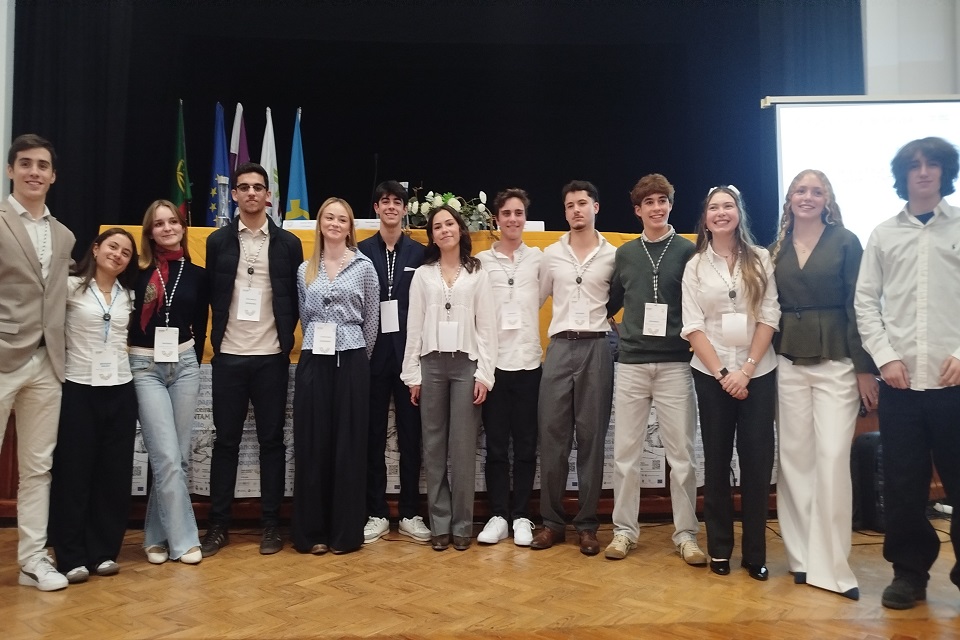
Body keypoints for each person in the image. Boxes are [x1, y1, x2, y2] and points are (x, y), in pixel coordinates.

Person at [855, 136, 960, 610]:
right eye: (914, 166)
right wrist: (885, 357)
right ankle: (909, 574)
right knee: (902, 484)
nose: (923, 172)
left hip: (954, 382)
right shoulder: (883, 234)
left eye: (932, 164)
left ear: (944, 171)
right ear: (903, 175)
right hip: (899, 384)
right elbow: (865, 302)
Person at [771, 170, 876, 600]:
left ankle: (832, 565)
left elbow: (860, 304)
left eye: (817, 191)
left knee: (832, 458)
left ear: (828, 199)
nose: (808, 197)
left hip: (837, 360)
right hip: (787, 362)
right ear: (789, 198)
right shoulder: (774, 248)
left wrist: (865, 367)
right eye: (801, 190)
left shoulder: (847, 241)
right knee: (794, 460)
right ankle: (800, 558)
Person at [201, 162, 303, 557]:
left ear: (268, 196)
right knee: (224, 443)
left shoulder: (288, 244)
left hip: (270, 358)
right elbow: (214, 294)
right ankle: (218, 526)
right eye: (243, 187)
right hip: (228, 356)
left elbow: (293, 299)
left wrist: (282, 339)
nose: (251, 194)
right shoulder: (218, 242)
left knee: (271, 442)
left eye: (258, 187)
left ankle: (271, 526)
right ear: (234, 195)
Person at [680, 185, 779, 580]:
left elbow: (770, 314)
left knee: (757, 465)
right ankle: (719, 548)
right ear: (705, 218)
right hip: (712, 375)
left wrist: (747, 369)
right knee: (717, 464)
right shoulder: (695, 266)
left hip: (758, 373)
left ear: (739, 212)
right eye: (714, 208)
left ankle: (755, 554)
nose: (721, 213)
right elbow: (692, 325)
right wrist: (724, 373)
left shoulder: (760, 259)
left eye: (728, 206)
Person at [605, 174, 705, 565]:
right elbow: (610, 301)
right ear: (638, 210)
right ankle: (624, 532)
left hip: (676, 364)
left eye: (662, 201)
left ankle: (686, 535)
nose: (657, 208)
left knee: (681, 455)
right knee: (625, 454)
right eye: (649, 202)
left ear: (670, 205)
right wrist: (623, 333)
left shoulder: (688, 251)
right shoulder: (625, 254)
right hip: (631, 364)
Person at [0, 134, 76, 591]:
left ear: (52, 176)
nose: (34, 172)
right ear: (11, 170)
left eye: (42, 165)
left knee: (37, 468)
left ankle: (31, 559)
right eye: (25, 163)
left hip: (48, 365)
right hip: (3, 358)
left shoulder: (64, 234)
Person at [401, 204, 497, 551]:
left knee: (462, 446)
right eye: (437, 226)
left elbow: (487, 328)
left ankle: (461, 525)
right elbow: (414, 327)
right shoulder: (423, 275)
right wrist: (412, 374)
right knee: (434, 446)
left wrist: (485, 374)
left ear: (460, 229)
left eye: (449, 224)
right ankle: (439, 523)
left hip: (465, 366)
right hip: (431, 366)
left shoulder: (478, 273)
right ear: (432, 236)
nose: (444, 230)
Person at [49, 228, 139, 584]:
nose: (118, 255)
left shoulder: (127, 295)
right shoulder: (70, 287)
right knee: (74, 473)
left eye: (126, 253)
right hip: (79, 387)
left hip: (119, 388)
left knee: (112, 474)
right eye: (112, 247)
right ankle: (70, 554)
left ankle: (103, 552)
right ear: (97, 248)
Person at [531, 180, 616, 556]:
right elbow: (533, 299)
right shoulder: (550, 255)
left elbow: (619, 300)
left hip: (597, 347)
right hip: (561, 346)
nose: (576, 210)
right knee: (552, 438)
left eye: (583, 203)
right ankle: (551, 522)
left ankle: (586, 525)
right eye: (570, 205)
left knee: (592, 439)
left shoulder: (614, 255)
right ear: (564, 212)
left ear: (596, 207)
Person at [292, 197, 379, 555]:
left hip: (352, 357)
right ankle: (312, 533)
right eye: (329, 217)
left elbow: (371, 320)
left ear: (350, 226)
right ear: (320, 223)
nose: (335, 223)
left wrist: (358, 355)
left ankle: (344, 533)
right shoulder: (304, 269)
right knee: (313, 443)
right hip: (314, 357)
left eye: (342, 218)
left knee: (348, 445)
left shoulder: (364, 266)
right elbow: (304, 314)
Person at [129, 200, 208, 565]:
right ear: (150, 232)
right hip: (145, 367)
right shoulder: (136, 269)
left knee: (176, 458)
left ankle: (155, 536)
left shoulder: (196, 273)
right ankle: (185, 540)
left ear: (181, 226)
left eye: (171, 222)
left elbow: (201, 323)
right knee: (165, 456)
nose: (166, 228)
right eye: (158, 224)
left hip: (185, 364)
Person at [357, 181, 430, 545]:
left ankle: (411, 512)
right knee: (372, 437)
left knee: (410, 436)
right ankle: (376, 512)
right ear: (376, 207)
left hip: (408, 357)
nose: (390, 207)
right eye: (384, 201)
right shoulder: (361, 251)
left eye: (396, 202)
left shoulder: (419, 252)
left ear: (404, 210)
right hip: (371, 357)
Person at [475, 188, 543, 546]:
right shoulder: (483, 262)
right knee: (497, 447)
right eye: (506, 214)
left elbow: (545, 295)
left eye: (519, 213)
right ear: (496, 219)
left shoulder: (538, 260)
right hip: (496, 367)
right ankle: (498, 515)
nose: (513, 219)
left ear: (524, 218)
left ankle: (522, 516)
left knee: (527, 446)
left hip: (530, 364)